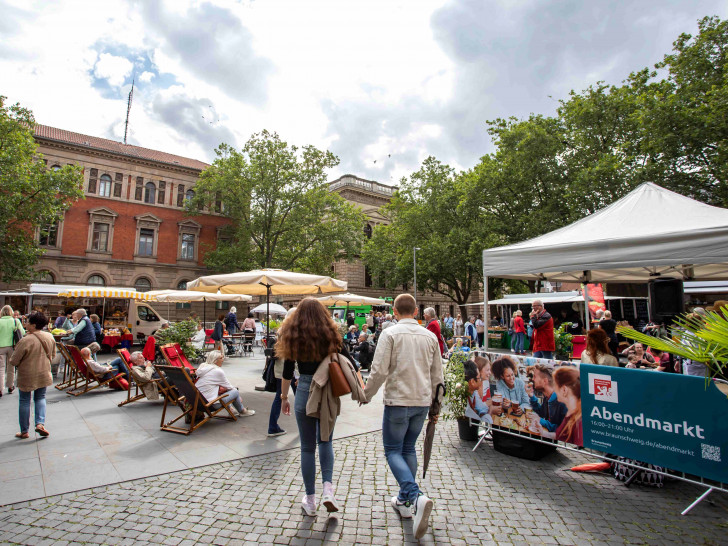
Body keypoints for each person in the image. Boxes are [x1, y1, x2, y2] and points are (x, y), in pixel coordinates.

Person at [363, 293, 443, 540]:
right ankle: (405, 503)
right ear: (417, 311)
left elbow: (378, 370)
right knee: (408, 448)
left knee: (393, 450)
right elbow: (438, 375)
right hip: (421, 401)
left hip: (398, 400)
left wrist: (366, 394)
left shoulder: (390, 334)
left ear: (395, 312)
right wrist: (437, 406)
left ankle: (415, 496)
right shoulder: (430, 336)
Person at [277, 298, 363, 516]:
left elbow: (287, 372)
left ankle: (310, 500)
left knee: (307, 447)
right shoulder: (330, 335)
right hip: (327, 391)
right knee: (325, 440)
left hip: (305, 388)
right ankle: (328, 489)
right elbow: (351, 363)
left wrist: (284, 397)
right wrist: (361, 387)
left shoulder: (294, 336)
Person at [9, 312, 55, 439]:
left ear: (33, 325)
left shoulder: (25, 340)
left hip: (27, 374)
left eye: (28, 322)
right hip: (44, 372)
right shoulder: (49, 336)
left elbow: (13, 361)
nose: (26, 324)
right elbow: (53, 354)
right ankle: (40, 424)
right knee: (40, 398)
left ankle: (24, 431)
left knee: (24, 401)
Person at [196, 350, 255, 417]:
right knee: (235, 391)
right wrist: (238, 396)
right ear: (214, 360)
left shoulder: (203, 367)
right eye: (221, 358)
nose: (223, 360)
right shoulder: (217, 371)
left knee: (223, 390)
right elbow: (229, 387)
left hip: (198, 403)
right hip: (211, 405)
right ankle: (242, 411)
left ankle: (232, 410)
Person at [526, 364, 567, 433]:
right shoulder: (547, 396)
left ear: (545, 381)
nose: (532, 379)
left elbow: (564, 430)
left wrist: (540, 420)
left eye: (535, 377)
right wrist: (531, 396)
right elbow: (541, 413)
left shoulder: (563, 402)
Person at [552, 367, 583, 446]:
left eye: (555, 385)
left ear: (564, 390)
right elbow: (560, 436)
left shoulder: (579, 422)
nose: (554, 390)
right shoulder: (572, 413)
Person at [0, 305, 25, 395]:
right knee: (11, 367)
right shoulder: (15, 321)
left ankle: (0, 388)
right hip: (12, 346)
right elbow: (22, 332)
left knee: (1, 368)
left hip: (0, 347)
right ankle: (10, 386)